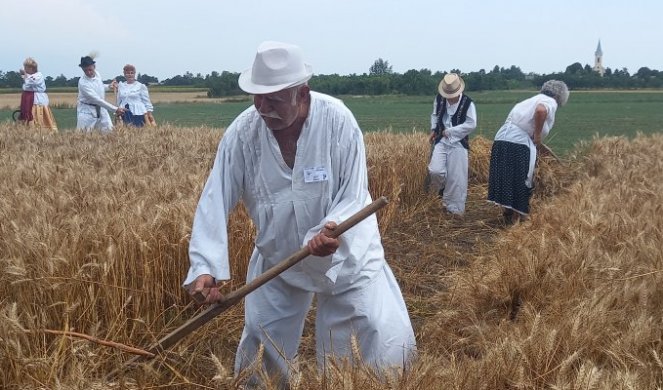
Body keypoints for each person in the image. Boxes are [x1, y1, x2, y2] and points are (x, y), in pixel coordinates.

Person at [183, 41, 416, 386]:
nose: (263, 108)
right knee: (264, 345)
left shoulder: (338, 122)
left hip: (345, 254)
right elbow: (215, 197)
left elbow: (354, 192)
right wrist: (205, 266)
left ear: (301, 93)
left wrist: (331, 230)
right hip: (278, 256)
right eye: (257, 97)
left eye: (273, 99)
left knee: (363, 341)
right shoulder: (243, 134)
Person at [487, 80, 569, 223]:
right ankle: (518, 219)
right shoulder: (549, 101)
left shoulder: (530, 100)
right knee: (521, 179)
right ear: (559, 95)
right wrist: (537, 135)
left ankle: (508, 214)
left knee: (506, 178)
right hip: (519, 142)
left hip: (501, 140)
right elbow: (541, 111)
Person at [427, 73, 477, 215]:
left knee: (456, 177)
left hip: (458, 142)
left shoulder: (468, 103)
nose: (449, 97)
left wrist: (451, 131)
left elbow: (471, 124)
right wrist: (433, 129)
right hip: (441, 141)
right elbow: (435, 115)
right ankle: (440, 192)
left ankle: (453, 209)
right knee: (435, 170)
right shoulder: (439, 99)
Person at [76, 55, 124, 132]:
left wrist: (109, 86)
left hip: (101, 109)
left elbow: (99, 87)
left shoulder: (97, 74)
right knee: (82, 137)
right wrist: (115, 109)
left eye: (90, 69)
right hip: (87, 112)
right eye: (85, 70)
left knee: (109, 133)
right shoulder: (83, 83)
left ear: (94, 66)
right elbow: (96, 99)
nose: (88, 72)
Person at [18, 57, 58, 131]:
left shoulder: (38, 76)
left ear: (31, 68)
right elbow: (26, 85)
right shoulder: (29, 76)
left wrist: (24, 75)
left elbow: (29, 81)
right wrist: (24, 75)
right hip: (29, 100)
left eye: (26, 67)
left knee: (37, 116)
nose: (25, 69)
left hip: (37, 100)